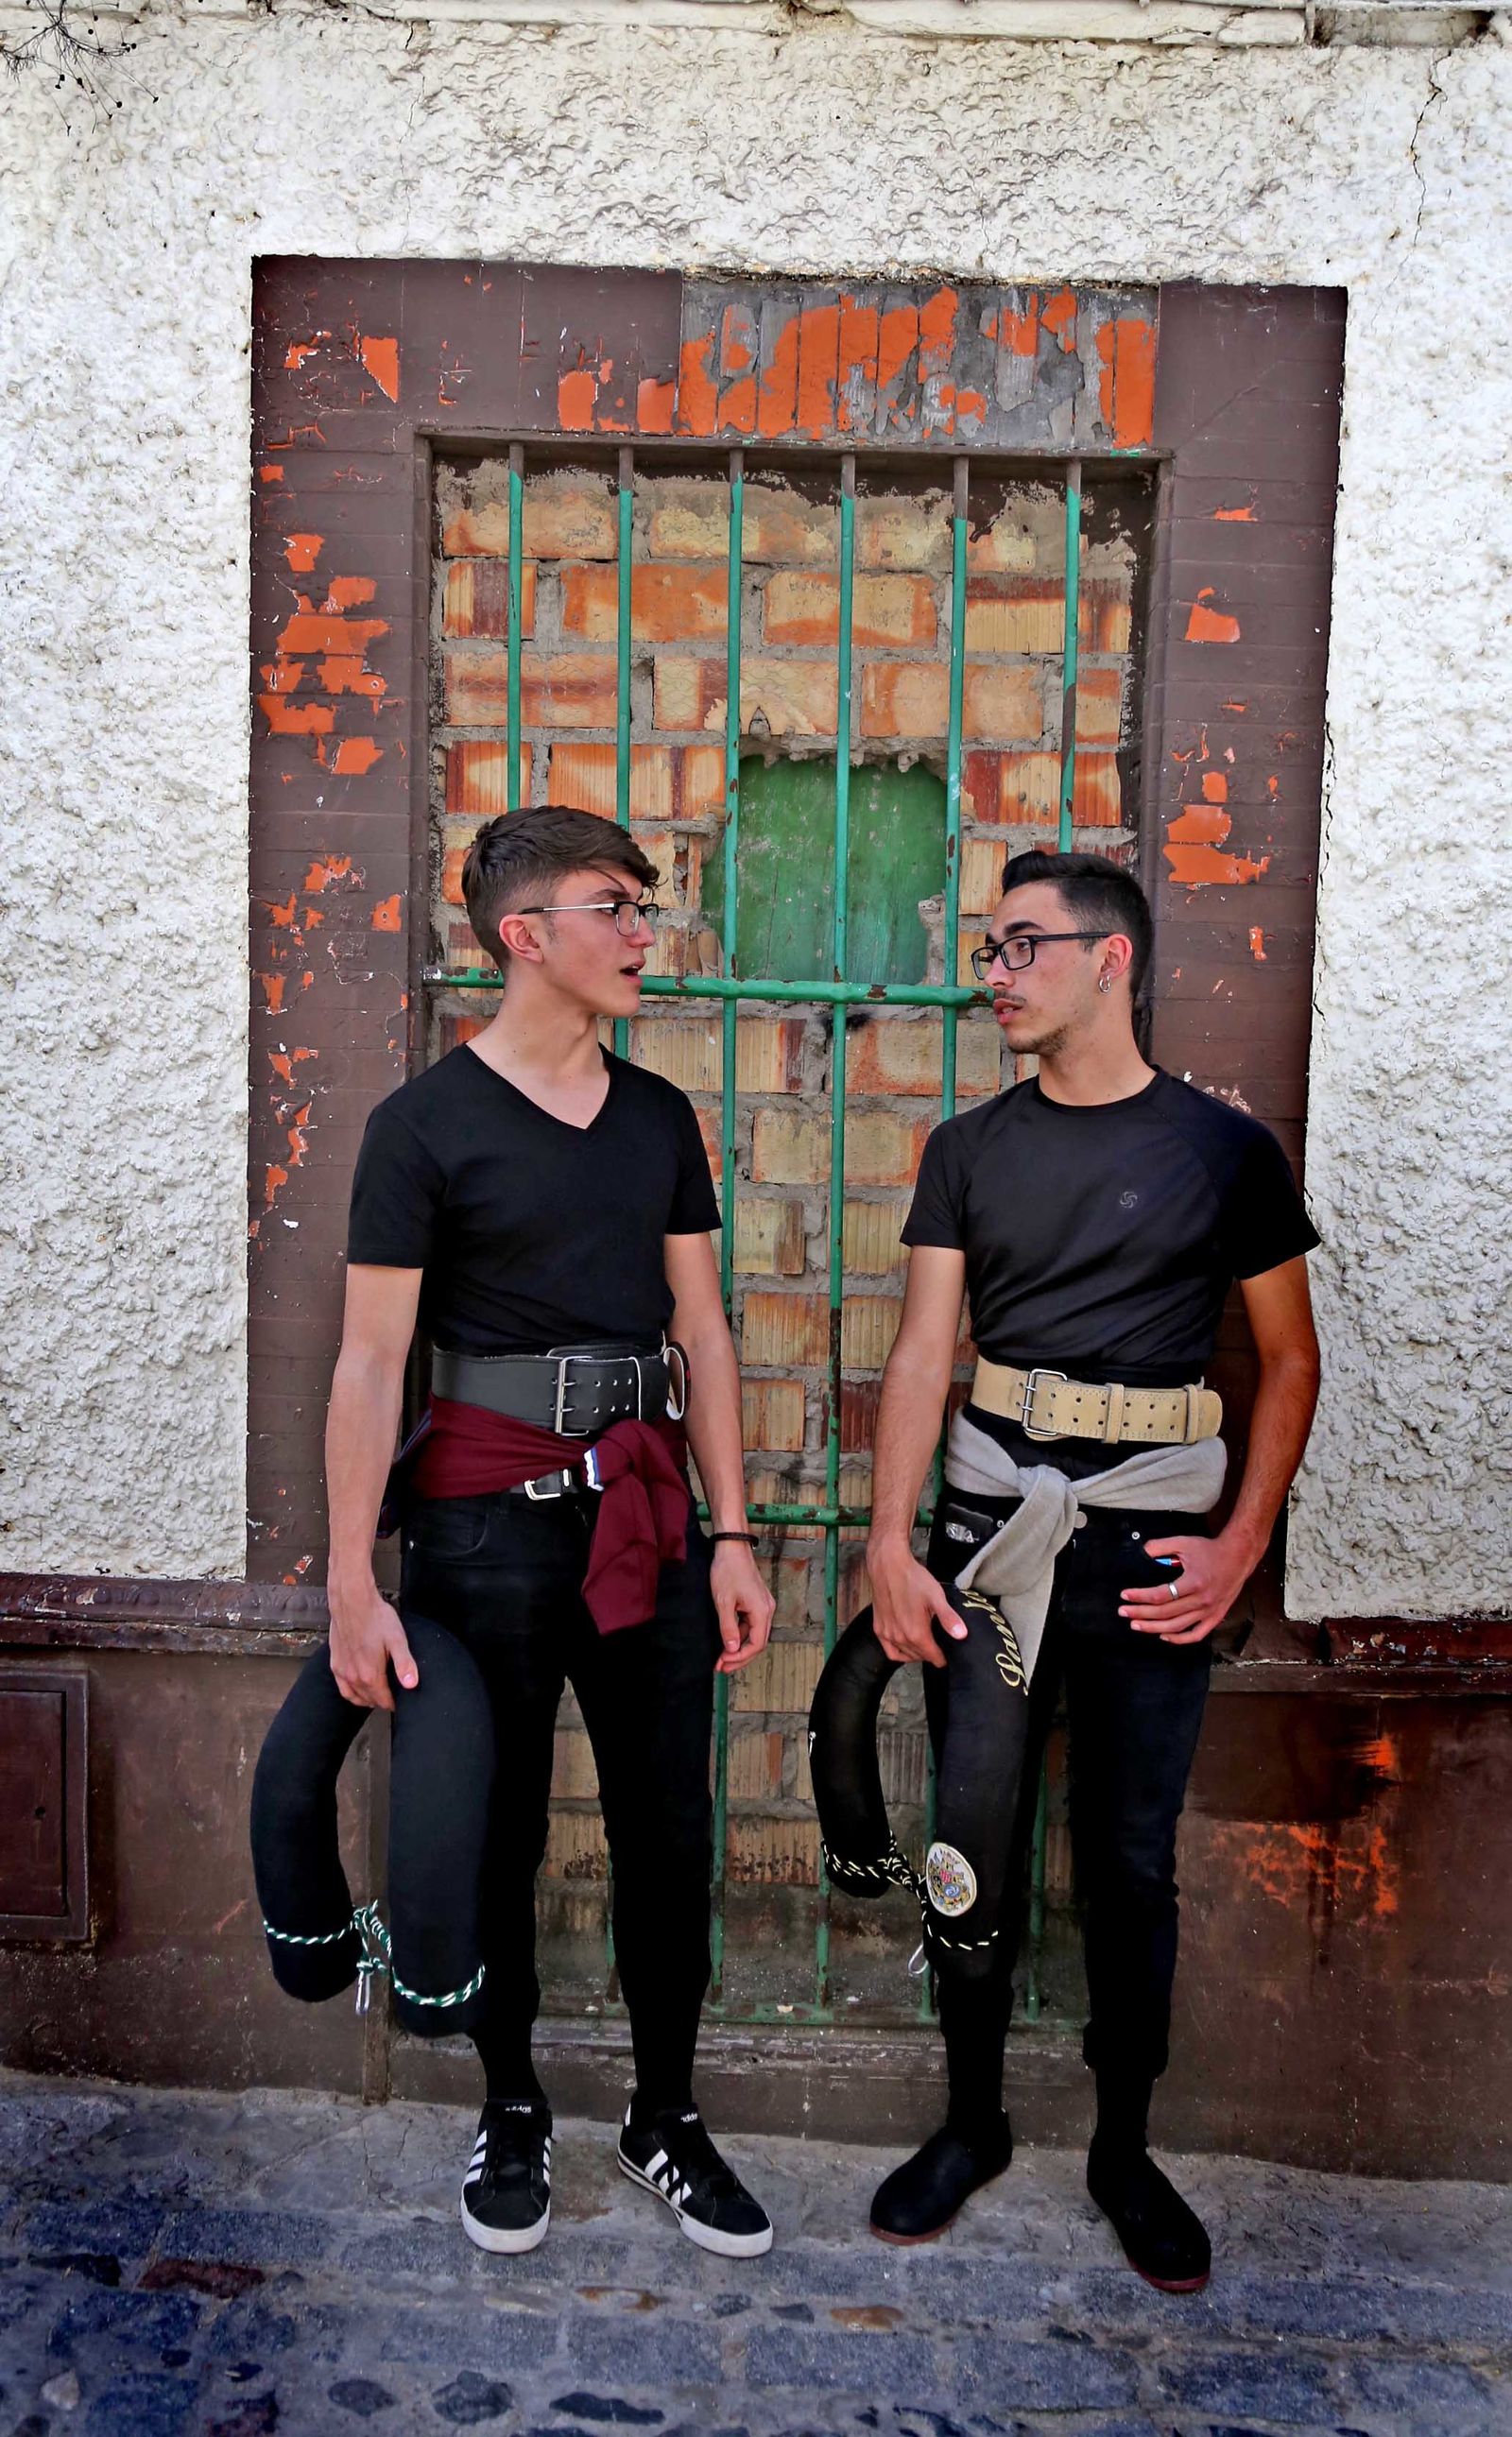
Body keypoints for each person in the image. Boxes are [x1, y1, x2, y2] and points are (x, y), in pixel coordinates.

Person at [315, 803, 776, 2260]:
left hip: (648, 1524)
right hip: (477, 1534)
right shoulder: (423, 1127)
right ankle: (510, 2103)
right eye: (616, 906)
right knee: (498, 1830)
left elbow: (699, 1322)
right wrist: (347, 1581)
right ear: (527, 936)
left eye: (647, 906)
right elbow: (370, 1364)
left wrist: (736, 1533)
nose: (648, 931)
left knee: (666, 1832)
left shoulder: (659, 1118)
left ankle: (666, 2116)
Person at [861, 849, 1320, 2288]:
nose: (995, 974)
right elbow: (927, 1354)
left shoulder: (1222, 1153)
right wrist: (890, 1540)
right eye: (991, 952)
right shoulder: (970, 1149)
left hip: (1149, 1546)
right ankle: (972, 2123)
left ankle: (1125, 2151)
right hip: (992, 1534)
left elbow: (1290, 1360)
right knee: (970, 1842)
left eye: (1020, 949)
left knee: (1127, 1862)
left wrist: (1239, 1547)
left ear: (1109, 960)